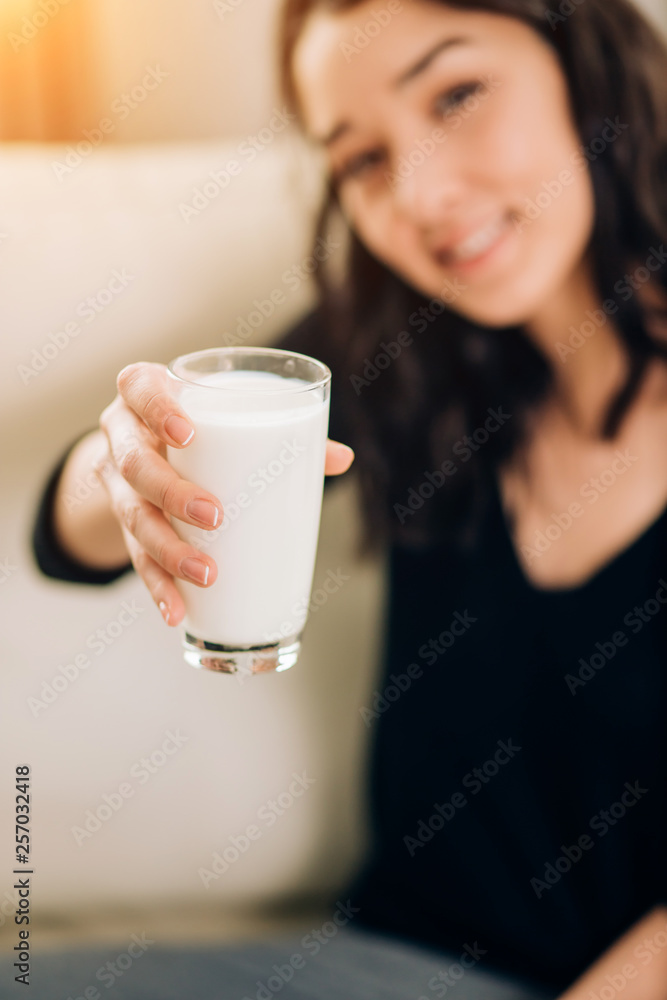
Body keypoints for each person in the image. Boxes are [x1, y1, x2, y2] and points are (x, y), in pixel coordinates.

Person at [29, 0, 667, 997]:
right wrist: (119, 469)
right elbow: (65, 534)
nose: (418, 193)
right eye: (361, 159)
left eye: (456, 94)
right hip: (379, 962)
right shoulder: (406, 353)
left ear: (585, 59)